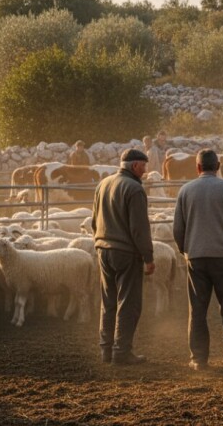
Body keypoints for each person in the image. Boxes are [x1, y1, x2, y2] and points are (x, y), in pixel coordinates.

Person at [173, 149, 223, 370]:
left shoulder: (185, 190)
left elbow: (178, 227)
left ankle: (199, 359)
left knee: (197, 310)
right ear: (218, 166)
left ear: (197, 167)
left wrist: (186, 250)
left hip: (196, 258)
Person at [92, 148, 155, 365]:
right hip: (126, 252)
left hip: (103, 249)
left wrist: (99, 242)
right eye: (143, 166)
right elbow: (139, 228)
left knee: (108, 301)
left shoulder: (103, 184)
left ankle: (106, 350)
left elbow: (94, 220)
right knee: (128, 302)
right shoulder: (134, 189)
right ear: (135, 165)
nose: (145, 171)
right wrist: (148, 257)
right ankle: (121, 352)